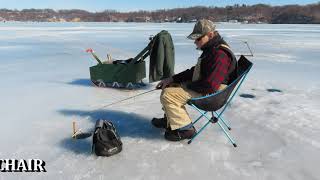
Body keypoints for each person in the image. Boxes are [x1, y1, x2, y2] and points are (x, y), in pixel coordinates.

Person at [152, 19, 237, 141]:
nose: (195, 42)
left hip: (213, 95)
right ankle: (171, 119)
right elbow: (196, 71)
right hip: (208, 87)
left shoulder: (219, 54)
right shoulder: (212, 49)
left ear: (210, 35)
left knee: (169, 95)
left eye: (198, 39)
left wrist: (185, 86)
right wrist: (173, 79)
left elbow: (210, 85)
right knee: (170, 86)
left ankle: (186, 130)